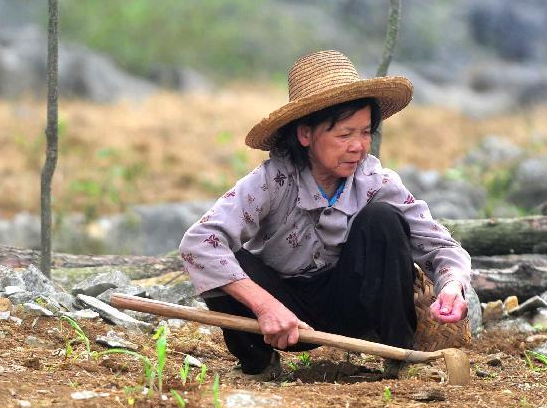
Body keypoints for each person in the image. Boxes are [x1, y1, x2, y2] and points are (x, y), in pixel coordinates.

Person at [179, 50, 471, 378]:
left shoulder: (376, 181)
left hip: (355, 305)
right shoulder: (271, 181)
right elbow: (198, 242)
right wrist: (266, 306)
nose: (358, 146)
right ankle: (258, 365)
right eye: (345, 134)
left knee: (383, 220)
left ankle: (402, 359)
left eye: (365, 133)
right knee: (225, 255)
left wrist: (451, 285)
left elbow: (442, 247)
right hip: (284, 316)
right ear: (306, 134)